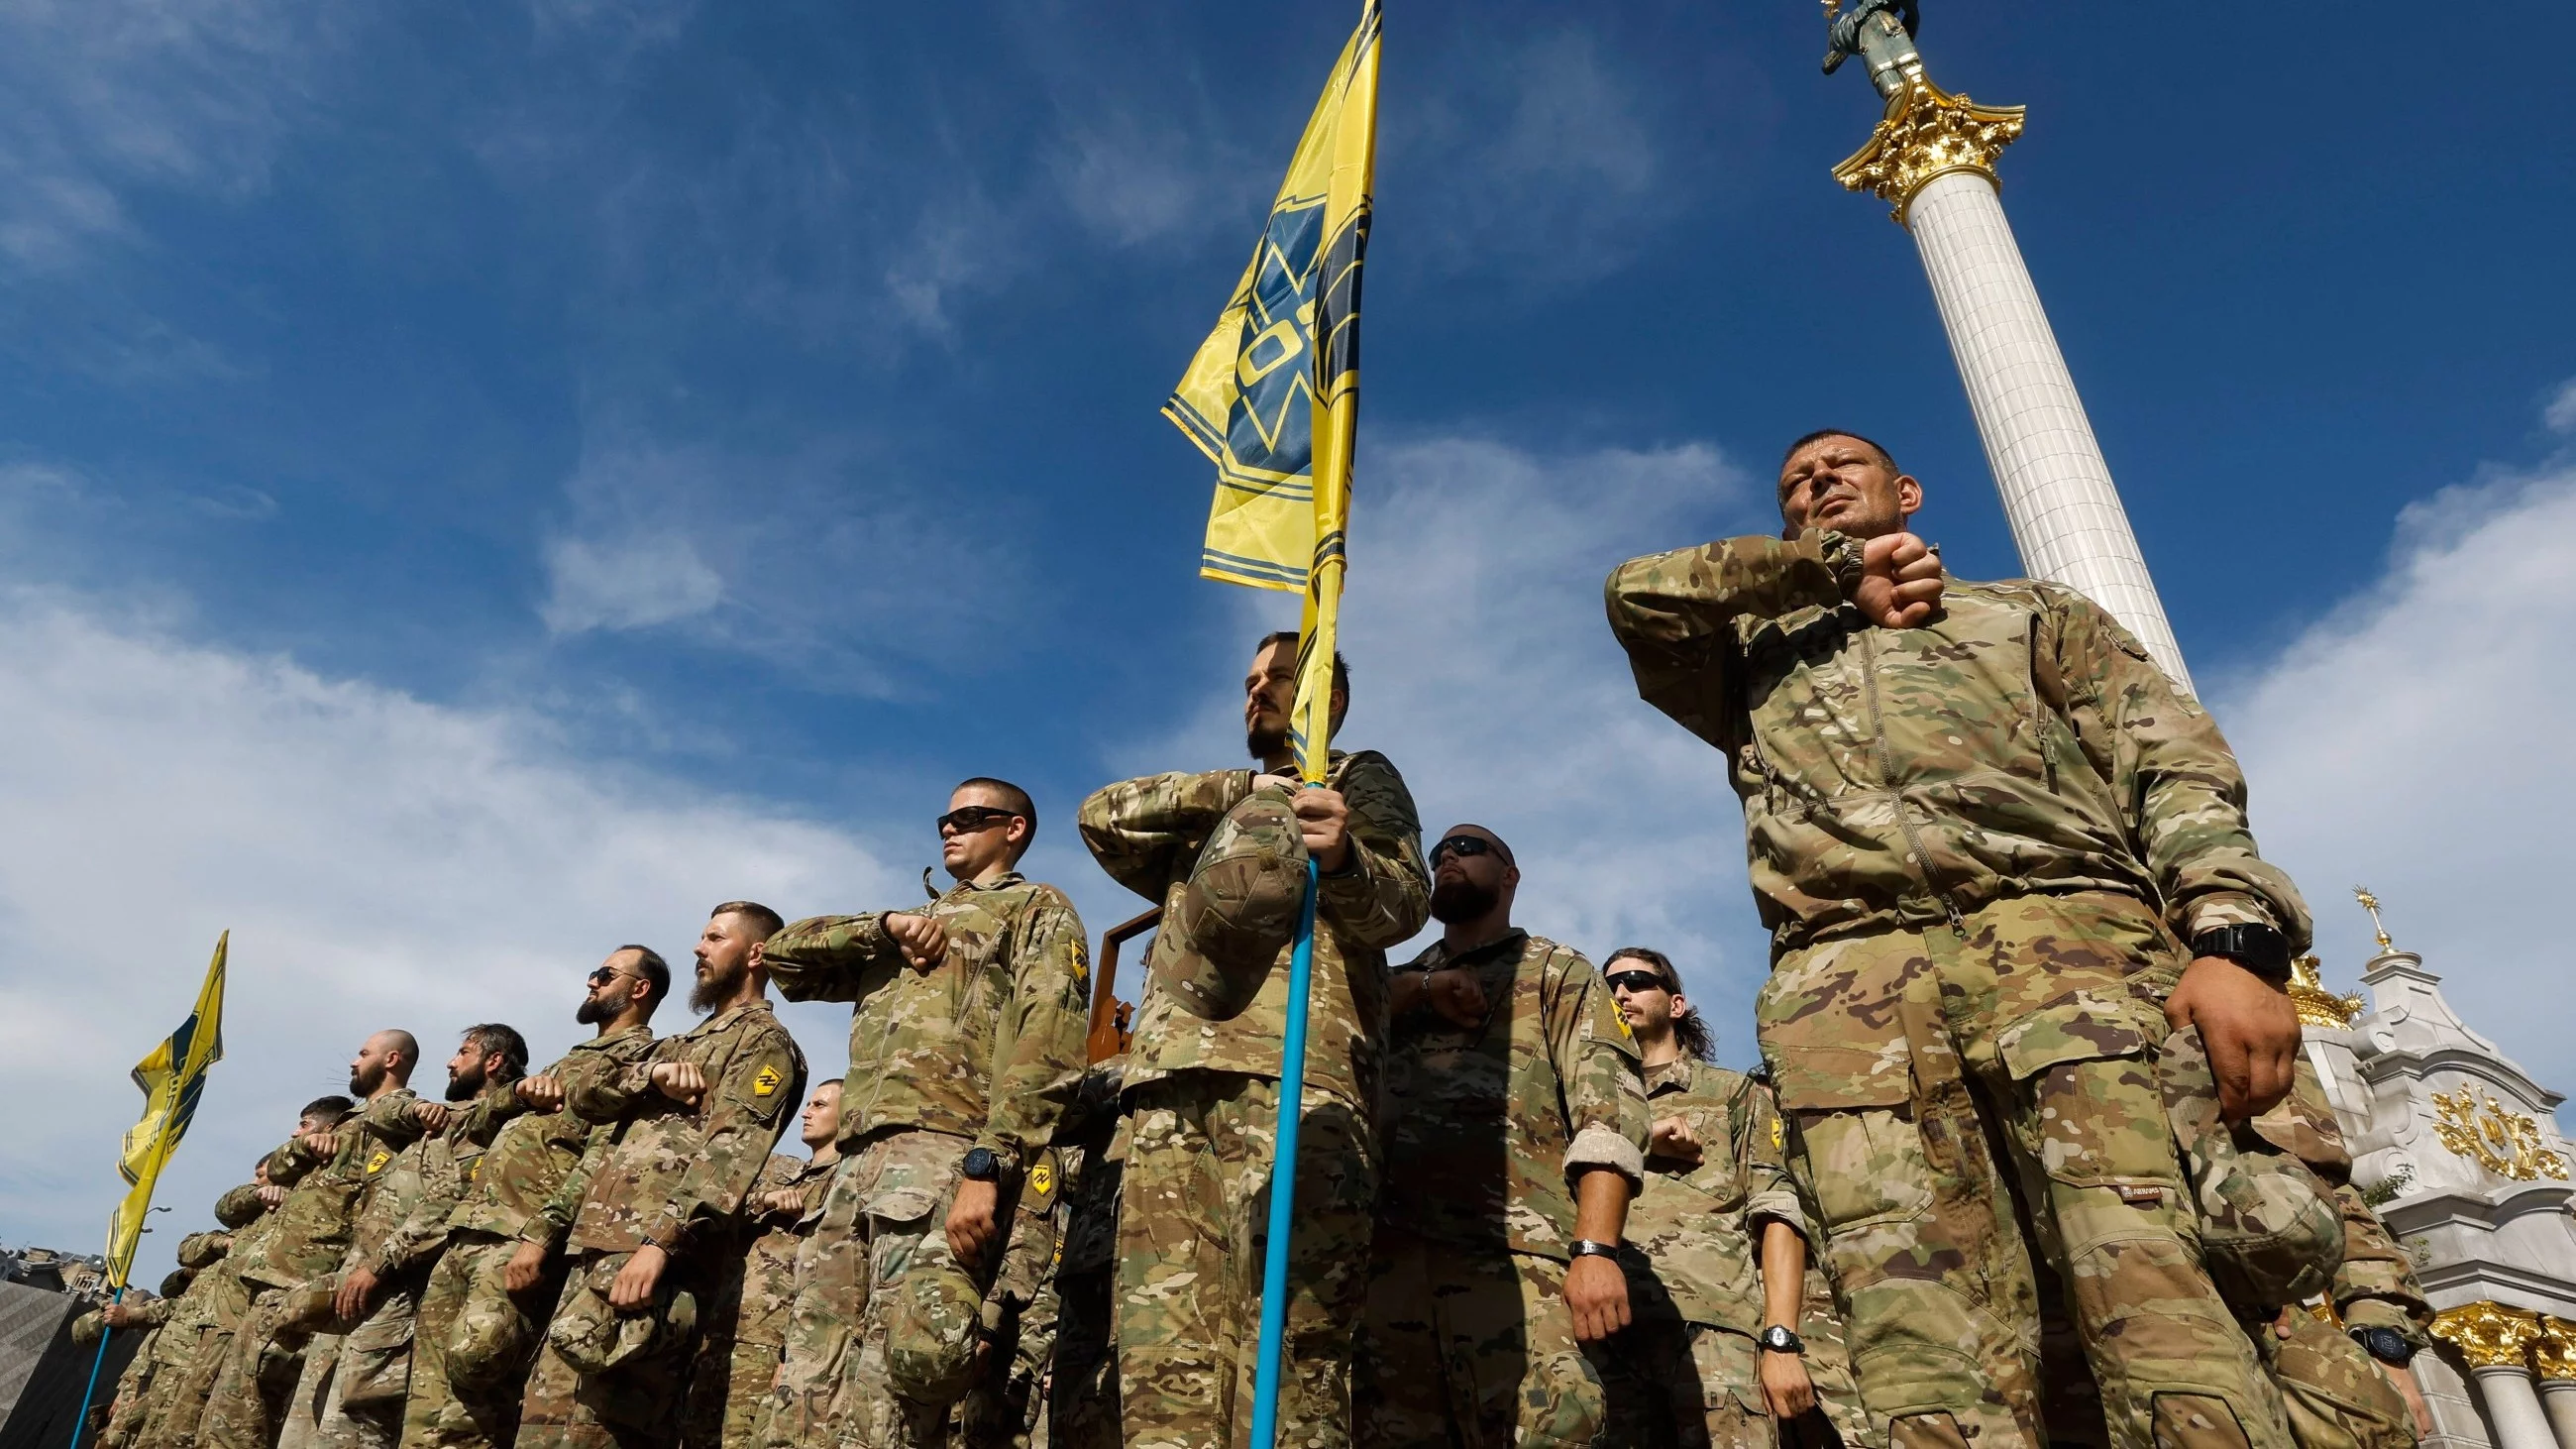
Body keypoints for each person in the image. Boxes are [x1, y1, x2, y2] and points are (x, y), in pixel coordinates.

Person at [1606, 429, 2320, 1449]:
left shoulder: (2030, 614)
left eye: (1838, 467)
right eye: (1794, 484)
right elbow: (1636, 595)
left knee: (2161, 1306)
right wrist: (1828, 572)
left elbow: (2171, 768)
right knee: (1920, 1358)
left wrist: (2234, 940)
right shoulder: (1751, 658)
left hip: (2068, 952)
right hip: (1849, 994)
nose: (1814, 481)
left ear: (1905, 491)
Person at [1077, 631, 1430, 1449]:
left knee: (1292, 1352)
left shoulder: (1359, 778)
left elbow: (1403, 909)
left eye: (1279, 678)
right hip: (1171, 1081)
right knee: (1163, 1352)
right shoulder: (1217, 807)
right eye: (1248, 681)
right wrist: (1241, 789)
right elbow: (1100, 818)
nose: (1256, 693)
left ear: (1328, 700)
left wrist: (1342, 857)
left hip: (1298, 1083)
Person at [758, 779, 1089, 1449]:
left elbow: (1046, 1046)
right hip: (854, 1168)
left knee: (902, 1379)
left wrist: (986, 1166)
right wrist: (883, 928)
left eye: (971, 817)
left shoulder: (1036, 909)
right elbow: (784, 955)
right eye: (946, 817)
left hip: (943, 1155)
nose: (950, 828)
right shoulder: (905, 928)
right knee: (809, 1380)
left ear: (1014, 828)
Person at [1354, 824, 1648, 1449]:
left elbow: (1610, 1114)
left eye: (1467, 849)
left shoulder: (1556, 971)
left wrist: (1594, 1250)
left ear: (1510, 875)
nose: (1446, 860)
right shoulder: (1394, 986)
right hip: (1391, 1266)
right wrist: (1408, 993)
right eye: (1438, 854)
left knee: (1552, 1427)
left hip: (1516, 1264)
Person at [515, 905, 805, 1449]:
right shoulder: (675, 1047)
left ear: (755, 954)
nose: (698, 948)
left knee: (605, 1428)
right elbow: (586, 1096)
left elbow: (732, 1155)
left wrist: (658, 1245)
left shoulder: (766, 1045)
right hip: (596, 1252)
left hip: (655, 1267)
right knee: (544, 1423)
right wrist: (648, 1076)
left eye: (715, 938)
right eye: (701, 936)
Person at [403, 953, 665, 1449]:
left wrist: (539, 1238)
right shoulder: (565, 1061)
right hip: (468, 1231)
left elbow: (602, 1160)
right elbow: (476, 1128)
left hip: (518, 1237)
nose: (591, 980)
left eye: (606, 975)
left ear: (639, 990)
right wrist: (518, 1094)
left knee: (476, 1381)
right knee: (425, 1404)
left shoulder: (638, 1063)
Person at [1591, 946, 1819, 1449]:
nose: (1620, 993)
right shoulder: (1588, 1101)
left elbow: (1777, 1213)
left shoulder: (1732, 1093)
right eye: (1609, 986)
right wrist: (1637, 1134)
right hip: (1602, 1338)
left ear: (1676, 1005)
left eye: (1634, 980)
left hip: (1715, 1339)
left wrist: (1780, 1341)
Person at [206, 1036, 432, 1449]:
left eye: (364, 1054)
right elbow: (274, 1168)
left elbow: (382, 1208)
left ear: (391, 1059)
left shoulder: (397, 1124)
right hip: (276, 1285)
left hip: (311, 1285)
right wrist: (306, 1145)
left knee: (250, 1422)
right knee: (230, 1415)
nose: (353, 1062)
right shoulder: (348, 1120)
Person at [682, 1080, 841, 1449]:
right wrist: (764, 1201)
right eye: (809, 1104)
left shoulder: (844, 1185)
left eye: (819, 1105)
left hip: (771, 1347)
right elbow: (711, 1207)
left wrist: (792, 1356)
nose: (807, 1112)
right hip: (718, 1332)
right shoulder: (775, 1168)